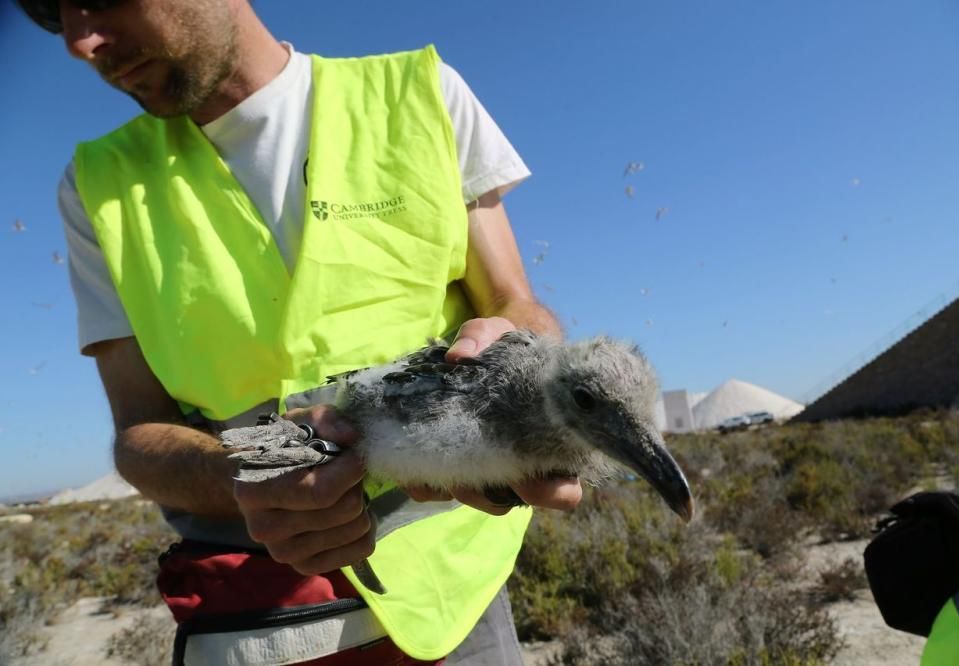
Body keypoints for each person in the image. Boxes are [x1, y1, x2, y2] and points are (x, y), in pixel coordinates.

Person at [19, 0, 583, 663]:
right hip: (256, 614)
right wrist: (243, 474)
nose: (80, 41)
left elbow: (517, 306)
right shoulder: (98, 187)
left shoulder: (421, 94)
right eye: (52, 15)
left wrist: (523, 374)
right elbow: (138, 432)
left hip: (455, 595)